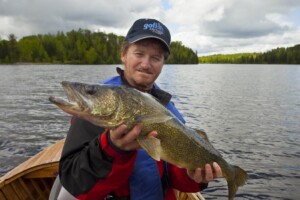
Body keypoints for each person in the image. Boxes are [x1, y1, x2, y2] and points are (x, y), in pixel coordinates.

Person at [58, 18, 222, 200]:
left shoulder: (167, 110)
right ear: (123, 54)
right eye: (139, 53)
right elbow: (74, 183)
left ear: (162, 63)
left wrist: (193, 177)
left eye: (155, 57)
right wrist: (112, 149)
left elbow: (174, 176)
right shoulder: (93, 110)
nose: (146, 64)